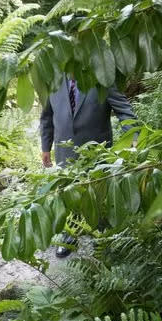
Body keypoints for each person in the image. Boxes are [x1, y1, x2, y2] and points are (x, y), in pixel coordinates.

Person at [40, 76, 136, 257]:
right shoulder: (52, 81)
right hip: (64, 153)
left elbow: (123, 109)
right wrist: (46, 146)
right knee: (68, 192)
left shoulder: (101, 78)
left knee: (98, 195)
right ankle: (70, 235)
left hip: (96, 152)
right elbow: (47, 116)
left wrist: (134, 136)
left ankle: (104, 238)